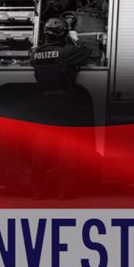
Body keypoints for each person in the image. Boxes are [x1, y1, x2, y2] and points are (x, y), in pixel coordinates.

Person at [29, 17, 92, 200]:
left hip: (43, 105)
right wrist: (76, 38)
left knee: (40, 150)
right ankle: (65, 192)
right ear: (64, 33)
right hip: (64, 104)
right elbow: (86, 51)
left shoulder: (36, 54)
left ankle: (37, 191)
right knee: (67, 151)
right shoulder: (67, 52)